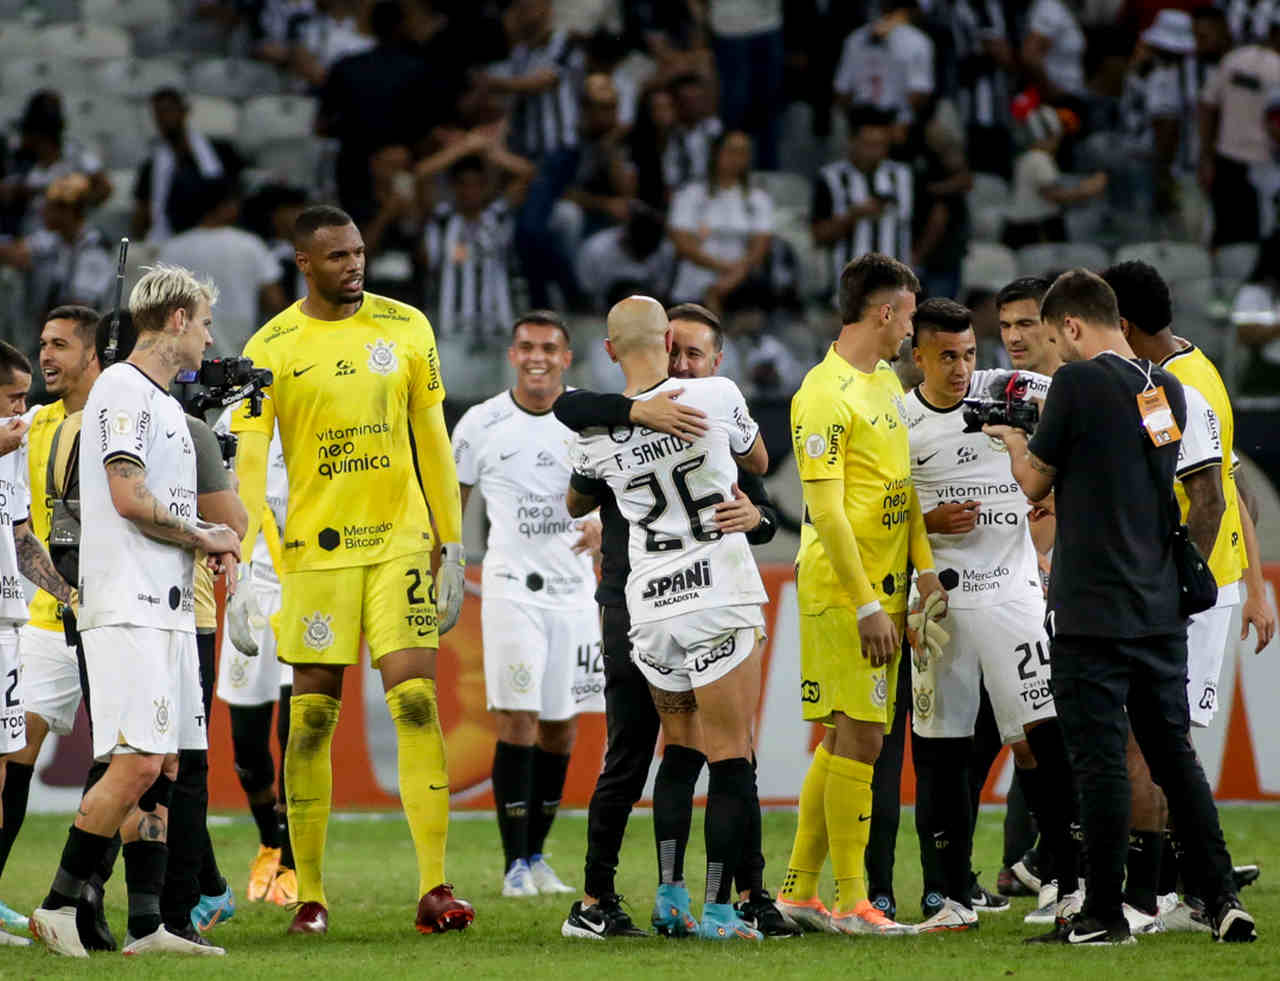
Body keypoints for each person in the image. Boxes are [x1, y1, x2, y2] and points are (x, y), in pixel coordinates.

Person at [984, 267, 1257, 945]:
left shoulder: (1076, 383)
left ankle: (1104, 911)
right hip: (1157, 604)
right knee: (1173, 756)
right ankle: (1218, 894)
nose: (1057, 349)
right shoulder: (1163, 389)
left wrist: (1016, 441)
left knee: (1101, 758)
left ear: (1072, 326)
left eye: (1053, 335)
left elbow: (1035, 480)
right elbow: (1191, 489)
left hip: (1090, 606)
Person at [231, 204, 471, 937]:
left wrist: (453, 544)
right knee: (307, 719)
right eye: (336, 256)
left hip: (399, 542)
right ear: (304, 262)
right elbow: (246, 464)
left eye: (359, 252)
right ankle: (311, 894)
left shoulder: (407, 328)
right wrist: (242, 566)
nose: (354, 265)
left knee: (418, 702)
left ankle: (435, 885)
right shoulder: (267, 348)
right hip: (314, 555)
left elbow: (431, 437)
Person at [554, 302, 792, 939]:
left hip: (650, 606)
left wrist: (626, 421)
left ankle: (669, 898)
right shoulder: (716, 393)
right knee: (731, 756)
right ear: (666, 340)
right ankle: (721, 912)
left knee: (678, 748)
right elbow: (761, 462)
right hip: (716, 590)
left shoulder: (594, 431)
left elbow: (576, 494)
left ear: (608, 350)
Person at [29, 264, 240, 958]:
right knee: (139, 761)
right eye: (205, 321)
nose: (210, 337)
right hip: (128, 606)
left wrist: (205, 543)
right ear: (177, 319)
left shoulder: (167, 409)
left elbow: (167, 503)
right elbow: (125, 497)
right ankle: (59, 903)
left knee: (168, 763)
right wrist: (202, 533)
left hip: (171, 607)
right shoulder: (122, 387)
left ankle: (149, 925)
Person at [1102, 259, 1276, 930]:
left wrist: (1221, 585)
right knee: (1152, 740)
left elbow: (1220, 495)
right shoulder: (1190, 371)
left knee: (1155, 743)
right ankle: (1177, 888)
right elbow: (1238, 487)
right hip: (1200, 582)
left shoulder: (1174, 386)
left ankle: (1168, 894)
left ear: (1121, 324)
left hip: (1191, 589)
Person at [903, 298, 1083, 937]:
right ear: (916, 354)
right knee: (940, 751)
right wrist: (925, 522)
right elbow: (868, 515)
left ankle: (1070, 881)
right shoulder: (899, 423)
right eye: (946, 356)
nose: (961, 369)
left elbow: (1078, 395)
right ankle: (947, 895)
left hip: (1012, 592)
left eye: (969, 355)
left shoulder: (1011, 395)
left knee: (1042, 738)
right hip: (939, 605)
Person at [776, 253, 944, 936]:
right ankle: (852, 901)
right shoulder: (824, 393)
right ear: (884, 312)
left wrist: (924, 570)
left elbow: (898, 493)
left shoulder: (881, 386)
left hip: (887, 586)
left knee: (843, 735)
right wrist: (871, 603)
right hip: (846, 591)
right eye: (907, 316)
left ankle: (795, 890)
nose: (910, 331)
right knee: (862, 738)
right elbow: (828, 512)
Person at [450, 312, 604, 897]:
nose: (536, 357)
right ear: (511, 355)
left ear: (567, 358)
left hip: (575, 593)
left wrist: (601, 527)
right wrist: (445, 561)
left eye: (549, 348)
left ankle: (538, 856)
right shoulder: (481, 423)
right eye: (526, 347)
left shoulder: (588, 423)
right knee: (517, 716)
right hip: (511, 587)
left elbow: (619, 494)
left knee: (561, 729)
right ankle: (514, 864)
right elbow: (452, 501)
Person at [0, 306, 107, 945]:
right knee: (13, 762)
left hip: (57, 613)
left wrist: (71, 594)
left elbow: (22, 538)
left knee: (128, 757)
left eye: (59, 344)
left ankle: (85, 902)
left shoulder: (116, 422)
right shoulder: (31, 428)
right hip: (35, 629)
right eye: (42, 344)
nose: (45, 359)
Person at [0, 339, 70, 947]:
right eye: (12, 398)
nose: (23, 411)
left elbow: (22, 539)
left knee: (3, 769)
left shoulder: (14, 451)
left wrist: (67, 592)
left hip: (8, 626)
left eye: (26, 398)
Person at [215, 416, 296, 907]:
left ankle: (291, 860)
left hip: (308, 588)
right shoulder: (237, 415)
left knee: (296, 735)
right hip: (249, 590)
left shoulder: (323, 404)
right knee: (247, 747)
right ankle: (269, 841)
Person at [158, 179, 287, 353]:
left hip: (187, 352)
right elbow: (274, 302)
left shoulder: (172, 248)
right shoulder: (249, 244)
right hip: (239, 348)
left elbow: (160, 306)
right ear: (225, 206)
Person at [668, 130, 774, 313]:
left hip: (740, 277)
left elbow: (760, 246)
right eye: (731, 151)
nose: (737, 158)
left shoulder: (758, 198)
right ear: (716, 153)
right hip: (698, 271)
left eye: (743, 152)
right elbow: (682, 242)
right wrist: (723, 267)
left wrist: (735, 274)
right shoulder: (690, 194)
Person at [812, 105, 913, 291]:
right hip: (849, 293)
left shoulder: (904, 176)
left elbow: (918, 227)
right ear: (852, 141)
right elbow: (819, 235)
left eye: (881, 145)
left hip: (896, 292)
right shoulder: (830, 178)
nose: (875, 152)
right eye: (868, 145)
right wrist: (853, 216)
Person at [133, 88, 244, 245]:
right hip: (170, 240)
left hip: (218, 233)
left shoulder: (220, 152)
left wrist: (211, 226)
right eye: (159, 114)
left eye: (168, 111)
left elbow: (235, 199)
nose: (164, 118)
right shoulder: (151, 167)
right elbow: (143, 213)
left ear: (184, 111)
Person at [1002, 107, 1107, 249]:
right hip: (1035, 230)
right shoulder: (1040, 158)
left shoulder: (1026, 157)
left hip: (1023, 228)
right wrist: (1088, 190)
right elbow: (1053, 194)